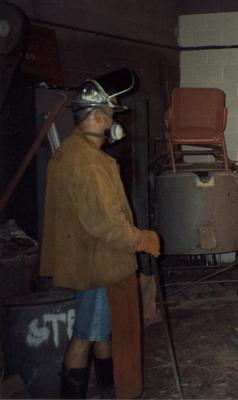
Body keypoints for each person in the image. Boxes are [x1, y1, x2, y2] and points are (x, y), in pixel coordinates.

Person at [40, 70, 161, 398]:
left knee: (104, 329)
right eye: (109, 116)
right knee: (86, 334)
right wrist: (140, 239)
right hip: (98, 263)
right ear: (95, 116)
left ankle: (109, 386)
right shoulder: (90, 163)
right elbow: (104, 223)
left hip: (88, 259)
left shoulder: (71, 151)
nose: (112, 124)